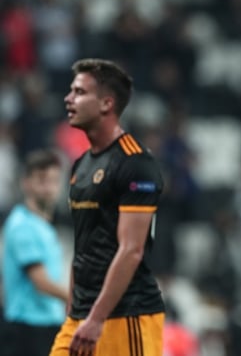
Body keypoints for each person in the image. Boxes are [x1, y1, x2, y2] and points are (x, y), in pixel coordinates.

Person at [50, 58, 165, 355]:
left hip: (127, 316)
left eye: (78, 92)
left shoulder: (135, 163)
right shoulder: (80, 165)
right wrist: (73, 314)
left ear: (106, 104)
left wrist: (96, 318)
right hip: (82, 317)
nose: (68, 98)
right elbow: (83, 246)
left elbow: (131, 250)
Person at [1, 149, 69, 356]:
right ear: (26, 183)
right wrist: (76, 298)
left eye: (54, 181)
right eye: (42, 180)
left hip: (44, 325)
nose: (49, 188)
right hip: (28, 329)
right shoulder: (22, 225)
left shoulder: (42, 226)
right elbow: (40, 281)